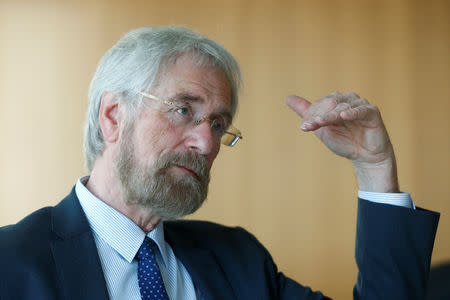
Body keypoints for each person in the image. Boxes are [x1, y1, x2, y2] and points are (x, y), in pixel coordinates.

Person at [0, 26, 440, 300]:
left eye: (218, 124)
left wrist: (375, 167)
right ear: (114, 115)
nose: (206, 141)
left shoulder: (238, 260)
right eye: (183, 110)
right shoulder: (11, 264)